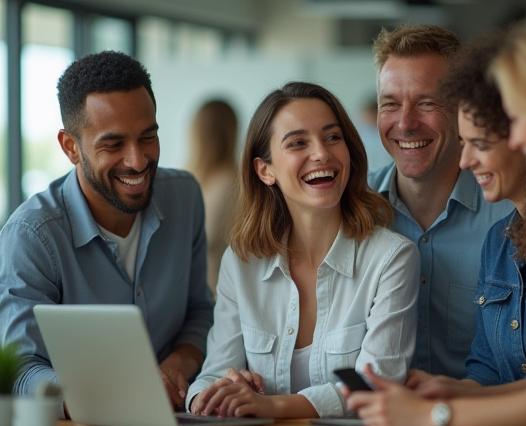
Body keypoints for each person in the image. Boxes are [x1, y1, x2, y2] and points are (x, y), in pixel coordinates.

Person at [346, 12, 526, 425]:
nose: (516, 138)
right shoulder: (515, 233)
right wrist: (460, 393)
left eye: (519, 118)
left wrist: (437, 414)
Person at [186, 82, 420, 418]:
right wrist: (216, 394)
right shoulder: (240, 264)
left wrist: (271, 405)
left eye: (332, 137)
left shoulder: (391, 258)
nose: (322, 153)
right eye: (298, 143)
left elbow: (377, 384)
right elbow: (211, 375)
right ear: (265, 170)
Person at [0, 51, 213, 416]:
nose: (137, 160)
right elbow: (20, 367)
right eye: (113, 145)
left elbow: (199, 311)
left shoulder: (185, 197)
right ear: (70, 147)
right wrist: (99, 398)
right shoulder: (32, 235)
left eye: (148, 137)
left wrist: (179, 363)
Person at [405, 34, 526, 398]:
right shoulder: (498, 239)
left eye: (480, 144)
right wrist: (450, 390)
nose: (465, 162)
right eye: (463, 144)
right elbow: (487, 366)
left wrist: (451, 409)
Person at [368, 25, 512, 378]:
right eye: (390, 104)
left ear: (464, 109)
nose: (405, 123)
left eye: (426, 103)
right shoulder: (351, 209)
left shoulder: (513, 215)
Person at [187, 98, 238, 297]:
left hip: (213, 291)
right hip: (204, 289)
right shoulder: (197, 178)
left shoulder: (226, 182)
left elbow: (207, 237)